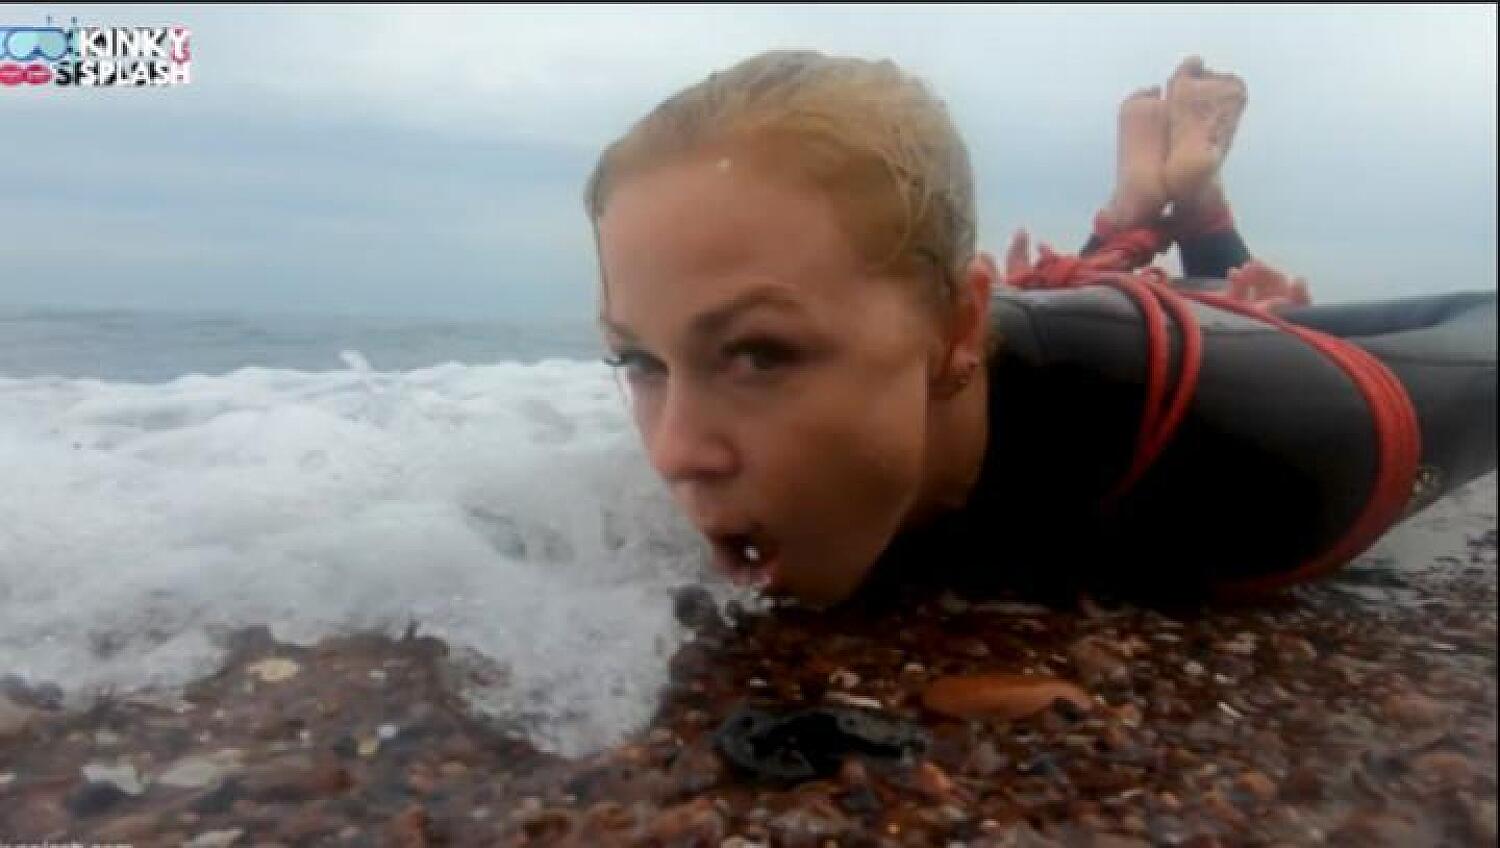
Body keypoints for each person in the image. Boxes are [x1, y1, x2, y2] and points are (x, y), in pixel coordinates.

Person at [585, 51, 1497, 607]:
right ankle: (1143, 206)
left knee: (1258, 310)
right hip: (1007, 320)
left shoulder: (1274, 456)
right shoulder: (903, 358)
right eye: (639, 358)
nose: (673, 454)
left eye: (757, 353)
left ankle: (1189, 202)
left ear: (954, 328)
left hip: (1155, 361)